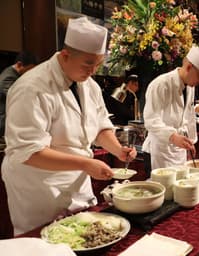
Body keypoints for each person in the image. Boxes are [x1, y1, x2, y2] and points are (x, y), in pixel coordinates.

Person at [1, 17, 137, 236]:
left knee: (86, 238)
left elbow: (101, 126)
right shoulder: (31, 88)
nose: (93, 71)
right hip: (40, 188)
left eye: (98, 64)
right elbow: (27, 152)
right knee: (48, 242)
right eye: (88, 64)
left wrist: (118, 150)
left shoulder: (89, 85)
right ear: (65, 55)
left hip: (77, 182)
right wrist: (85, 164)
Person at [142, 46, 199, 175]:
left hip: (178, 151)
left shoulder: (190, 87)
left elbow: (187, 117)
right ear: (189, 67)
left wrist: (191, 141)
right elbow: (150, 120)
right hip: (160, 151)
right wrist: (172, 136)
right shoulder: (161, 84)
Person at [0, 52, 38, 139]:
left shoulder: (14, 74)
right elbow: (18, 97)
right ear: (19, 64)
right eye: (29, 70)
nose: (31, 73)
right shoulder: (8, 77)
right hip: (3, 123)